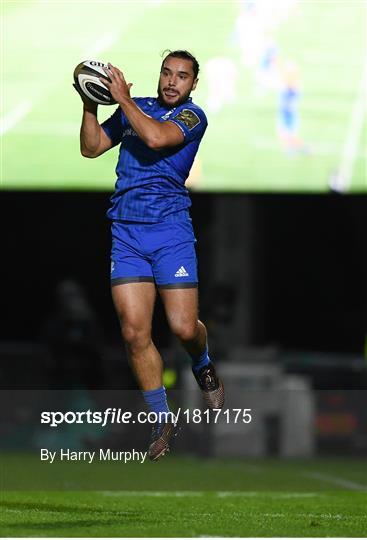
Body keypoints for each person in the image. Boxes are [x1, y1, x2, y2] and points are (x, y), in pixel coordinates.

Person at [74, 50, 224, 461]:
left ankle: (203, 362)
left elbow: (158, 138)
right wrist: (90, 102)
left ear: (193, 84)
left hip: (170, 232)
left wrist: (120, 99)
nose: (172, 81)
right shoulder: (136, 108)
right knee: (133, 332)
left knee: (181, 327)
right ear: (159, 76)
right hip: (126, 234)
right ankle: (161, 419)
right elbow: (91, 148)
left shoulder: (193, 118)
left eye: (182, 76)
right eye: (167, 73)